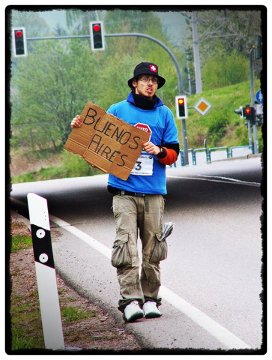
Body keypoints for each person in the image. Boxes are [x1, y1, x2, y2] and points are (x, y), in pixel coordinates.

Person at [71, 62, 179, 322]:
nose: (150, 83)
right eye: (144, 79)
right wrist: (79, 127)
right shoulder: (118, 111)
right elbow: (95, 142)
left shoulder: (164, 114)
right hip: (124, 192)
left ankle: (151, 298)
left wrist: (160, 152)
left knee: (153, 247)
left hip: (154, 192)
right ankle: (131, 299)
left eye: (153, 80)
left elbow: (174, 153)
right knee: (126, 246)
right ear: (134, 83)